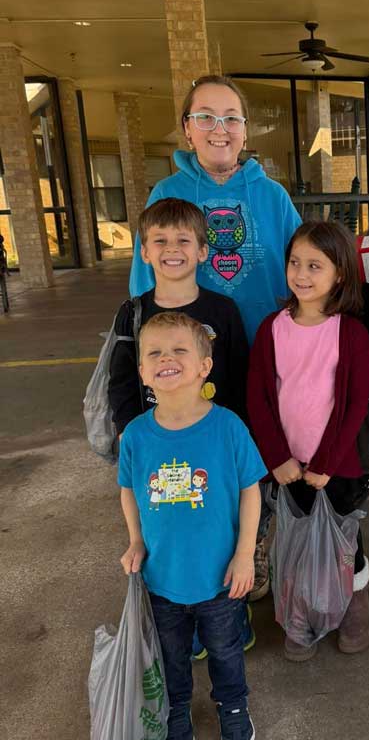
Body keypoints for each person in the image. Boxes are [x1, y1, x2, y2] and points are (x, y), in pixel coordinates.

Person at [129, 74, 301, 602]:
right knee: (199, 470)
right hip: (185, 367)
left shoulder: (270, 196)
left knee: (253, 462)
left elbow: (300, 270)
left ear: (246, 131)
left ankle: (254, 554)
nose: (218, 128)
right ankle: (205, 571)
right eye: (205, 116)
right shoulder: (168, 194)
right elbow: (145, 286)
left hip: (258, 362)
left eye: (230, 117)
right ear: (187, 128)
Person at [119, 311, 266, 740]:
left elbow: (250, 491)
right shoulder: (136, 436)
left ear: (204, 366)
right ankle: (176, 709)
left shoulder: (228, 427)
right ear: (143, 370)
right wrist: (136, 541)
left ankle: (232, 703)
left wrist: (245, 555)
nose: (167, 358)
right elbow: (128, 490)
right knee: (171, 654)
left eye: (180, 349)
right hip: (162, 578)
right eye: (155, 352)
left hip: (220, 576)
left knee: (225, 649)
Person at [247, 221, 369, 662]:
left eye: (314, 265)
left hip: (338, 466)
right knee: (296, 540)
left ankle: (354, 605)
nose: (301, 273)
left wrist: (327, 462)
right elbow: (257, 398)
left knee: (346, 543)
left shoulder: (351, 334)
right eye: (295, 263)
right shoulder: (272, 329)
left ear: (340, 273)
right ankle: (300, 611)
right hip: (289, 465)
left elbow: (356, 403)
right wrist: (278, 458)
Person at [109, 198, 248, 433]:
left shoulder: (224, 310)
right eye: (160, 241)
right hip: (155, 437)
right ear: (144, 252)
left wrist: (240, 432)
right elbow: (122, 383)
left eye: (183, 240)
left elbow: (241, 377)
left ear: (202, 251)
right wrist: (127, 431)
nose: (172, 249)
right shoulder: (133, 314)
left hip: (216, 435)